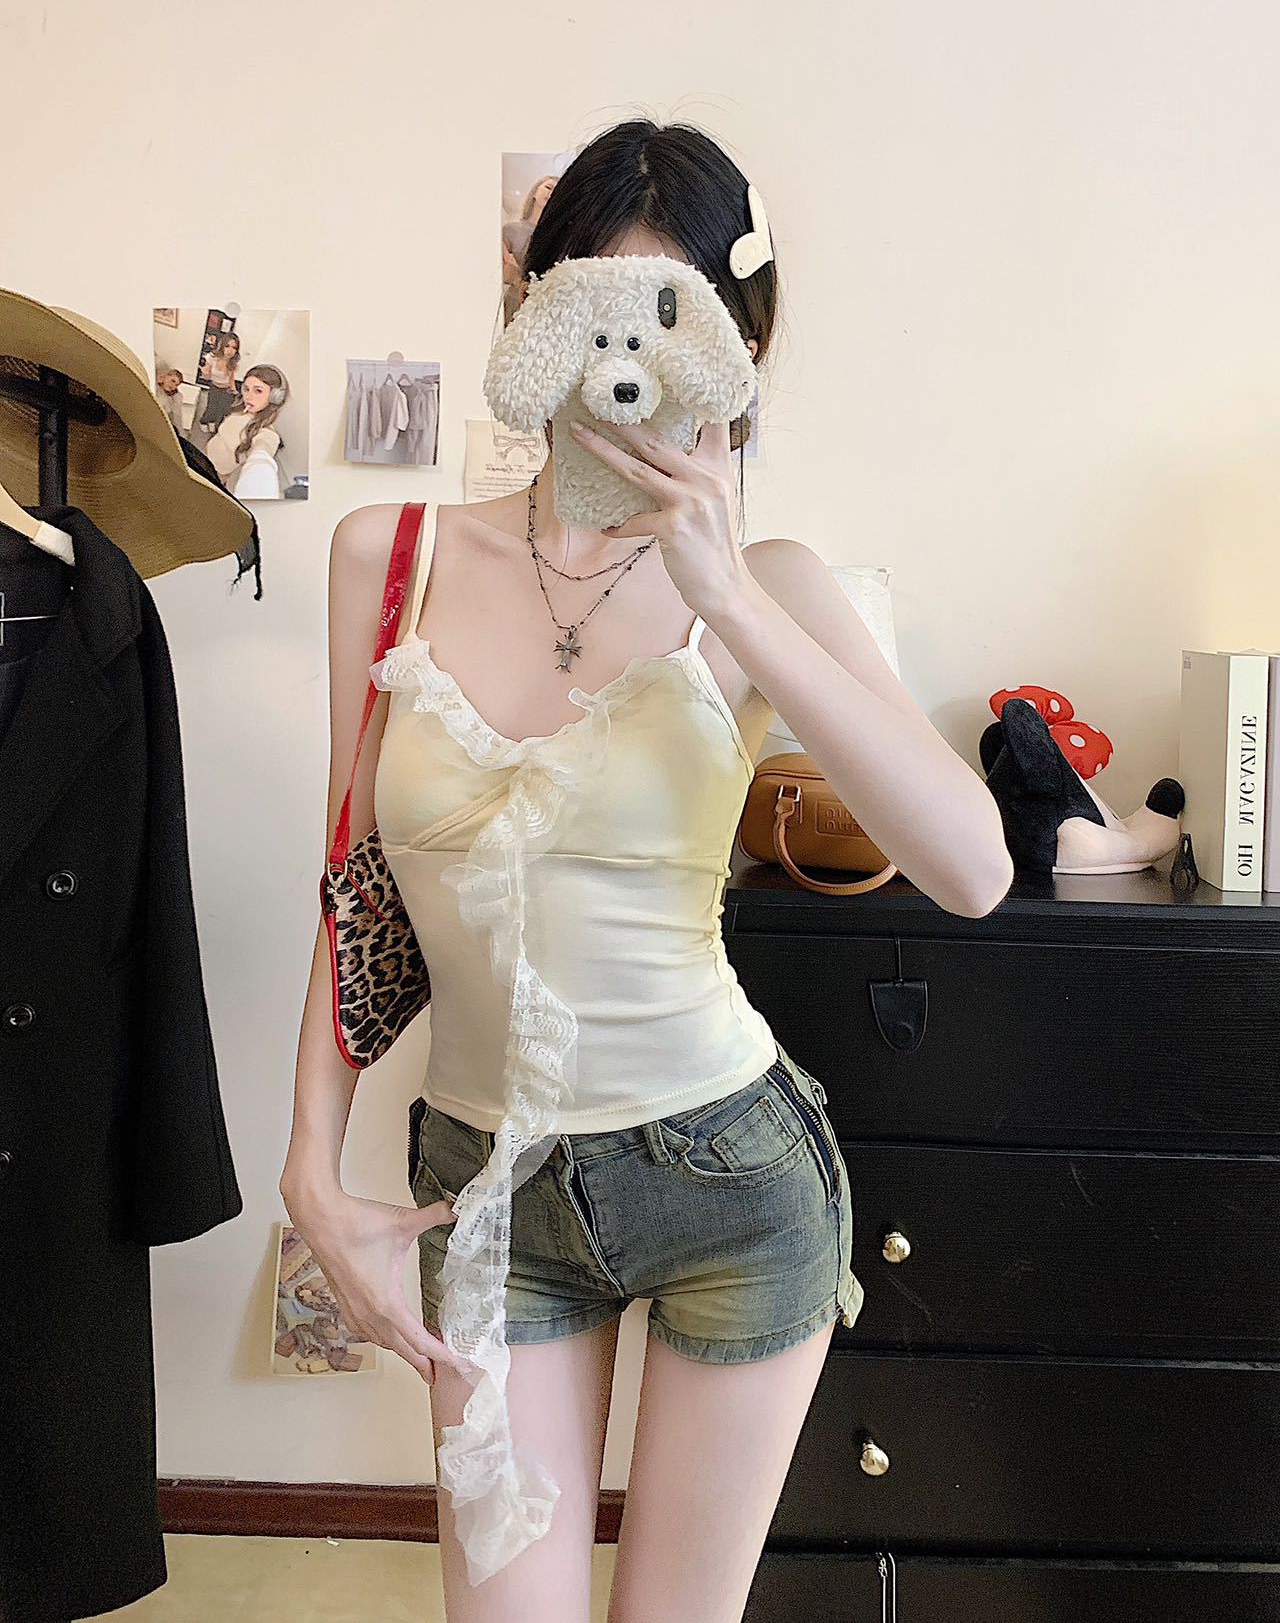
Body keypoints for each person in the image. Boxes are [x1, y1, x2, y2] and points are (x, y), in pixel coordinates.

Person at [280, 116, 1013, 1623]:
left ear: (738, 351)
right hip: (486, 1186)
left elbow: (972, 867)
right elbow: (356, 885)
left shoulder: (774, 588)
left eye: (679, 323)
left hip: (726, 1175)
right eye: (599, 310)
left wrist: (729, 598)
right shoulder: (387, 556)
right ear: (533, 321)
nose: (632, 368)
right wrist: (311, 1163)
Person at [206, 363, 288, 495]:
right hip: (204, 457)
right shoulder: (241, 411)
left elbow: (262, 451)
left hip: (212, 475)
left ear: (275, 397)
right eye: (246, 389)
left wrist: (260, 463)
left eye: (258, 391)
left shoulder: (267, 433)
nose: (248, 396)